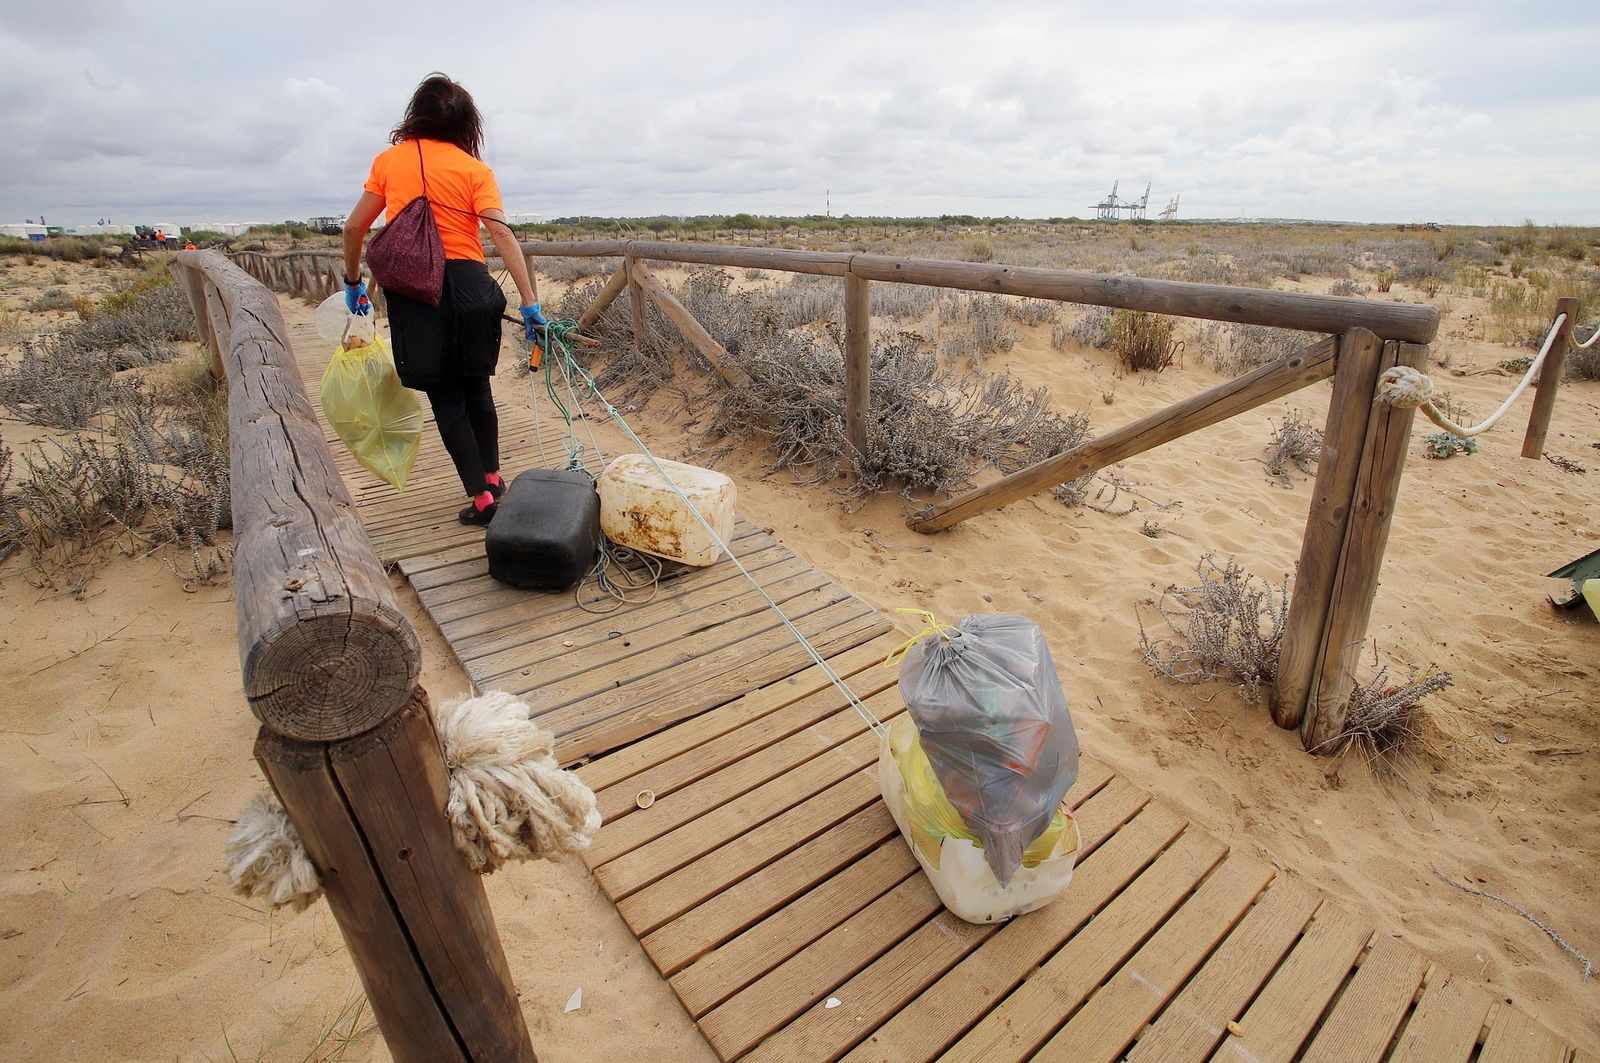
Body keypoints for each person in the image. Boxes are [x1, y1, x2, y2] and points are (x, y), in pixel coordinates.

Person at [341, 73, 546, 525]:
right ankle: (493, 478)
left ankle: (482, 500)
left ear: (417, 113)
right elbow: (500, 233)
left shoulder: (388, 161)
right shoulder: (475, 170)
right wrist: (530, 304)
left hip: (418, 293)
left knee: (446, 399)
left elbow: (354, 228)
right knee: (477, 387)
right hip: (473, 287)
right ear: (465, 123)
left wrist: (354, 284)